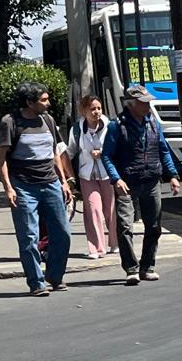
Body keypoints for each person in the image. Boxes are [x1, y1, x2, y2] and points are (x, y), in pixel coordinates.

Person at [0, 82, 73, 296]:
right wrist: (8, 187)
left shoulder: (47, 120)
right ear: (29, 102)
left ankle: (54, 276)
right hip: (23, 186)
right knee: (29, 236)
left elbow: (55, 152)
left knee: (63, 233)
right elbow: (1, 159)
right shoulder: (10, 122)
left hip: (50, 184)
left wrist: (63, 181)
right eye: (43, 100)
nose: (48, 103)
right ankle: (36, 282)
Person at [102, 84, 179, 285]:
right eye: (143, 102)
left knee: (154, 226)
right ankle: (131, 268)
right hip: (127, 183)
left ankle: (147, 267)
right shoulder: (116, 125)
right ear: (131, 104)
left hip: (151, 180)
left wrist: (172, 175)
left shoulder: (153, 122)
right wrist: (116, 179)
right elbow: (107, 155)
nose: (148, 105)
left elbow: (163, 149)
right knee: (125, 226)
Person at [67, 94, 117, 259]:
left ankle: (115, 243)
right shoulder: (77, 129)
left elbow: (116, 148)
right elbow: (70, 152)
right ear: (84, 111)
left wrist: (102, 153)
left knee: (110, 210)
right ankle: (96, 248)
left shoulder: (110, 126)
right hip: (86, 174)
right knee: (93, 210)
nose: (96, 112)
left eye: (98, 108)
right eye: (92, 109)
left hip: (107, 173)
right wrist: (68, 176)